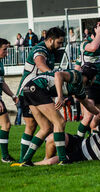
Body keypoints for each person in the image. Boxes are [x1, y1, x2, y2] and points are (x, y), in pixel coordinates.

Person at [11, 67, 100, 167]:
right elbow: (58, 74)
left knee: (46, 128)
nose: (94, 81)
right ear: (89, 77)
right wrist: (60, 96)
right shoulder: (77, 76)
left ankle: (26, 160)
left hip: (29, 88)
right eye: (94, 78)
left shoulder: (79, 87)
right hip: (37, 88)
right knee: (60, 122)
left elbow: (88, 105)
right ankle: (63, 159)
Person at [16, 27, 65, 163]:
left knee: (46, 126)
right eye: (59, 42)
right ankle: (23, 159)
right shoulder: (41, 49)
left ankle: (27, 160)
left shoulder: (51, 52)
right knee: (32, 125)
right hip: (28, 91)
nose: (60, 45)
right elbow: (39, 63)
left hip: (37, 91)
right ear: (50, 40)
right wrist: (55, 75)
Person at [33, 108, 100, 165]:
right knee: (53, 137)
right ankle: (45, 158)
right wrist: (99, 116)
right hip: (80, 142)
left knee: (53, 161)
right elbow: (93, 125)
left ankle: (33, 165)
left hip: (83, 156)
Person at [0, 38, 19, 163]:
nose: (7, 53)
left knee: (6, 125)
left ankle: (5, 156)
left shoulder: (0, 63)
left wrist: (13, 95)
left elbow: (2, 83)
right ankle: (5, 156)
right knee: (5, 124)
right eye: (4, 49)